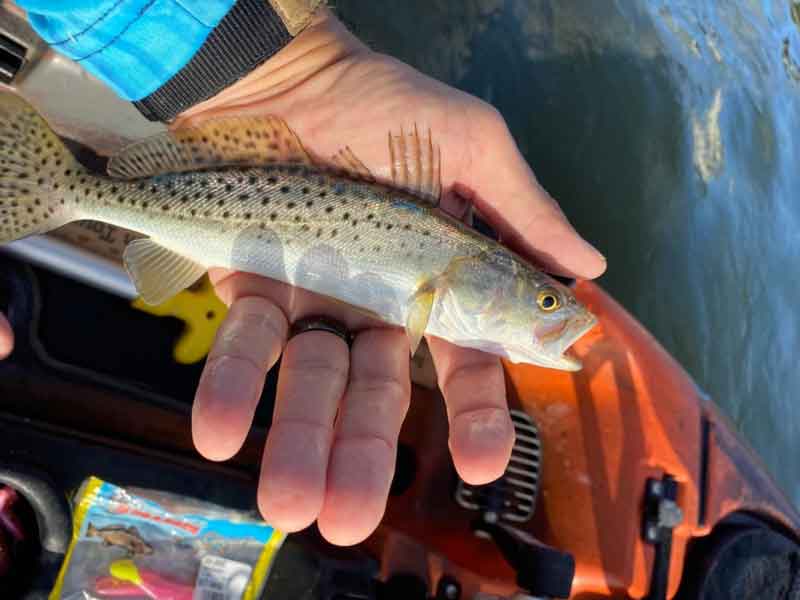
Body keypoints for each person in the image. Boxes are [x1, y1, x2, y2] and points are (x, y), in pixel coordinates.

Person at [1, 1, 605, 546]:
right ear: (484, 274)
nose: (555, 313)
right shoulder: (437, 268)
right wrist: (290, 69)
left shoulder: (442, 274)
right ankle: (64, 191)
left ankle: (65, 190)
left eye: (549, 305)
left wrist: (284, 62)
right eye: (547, 303)